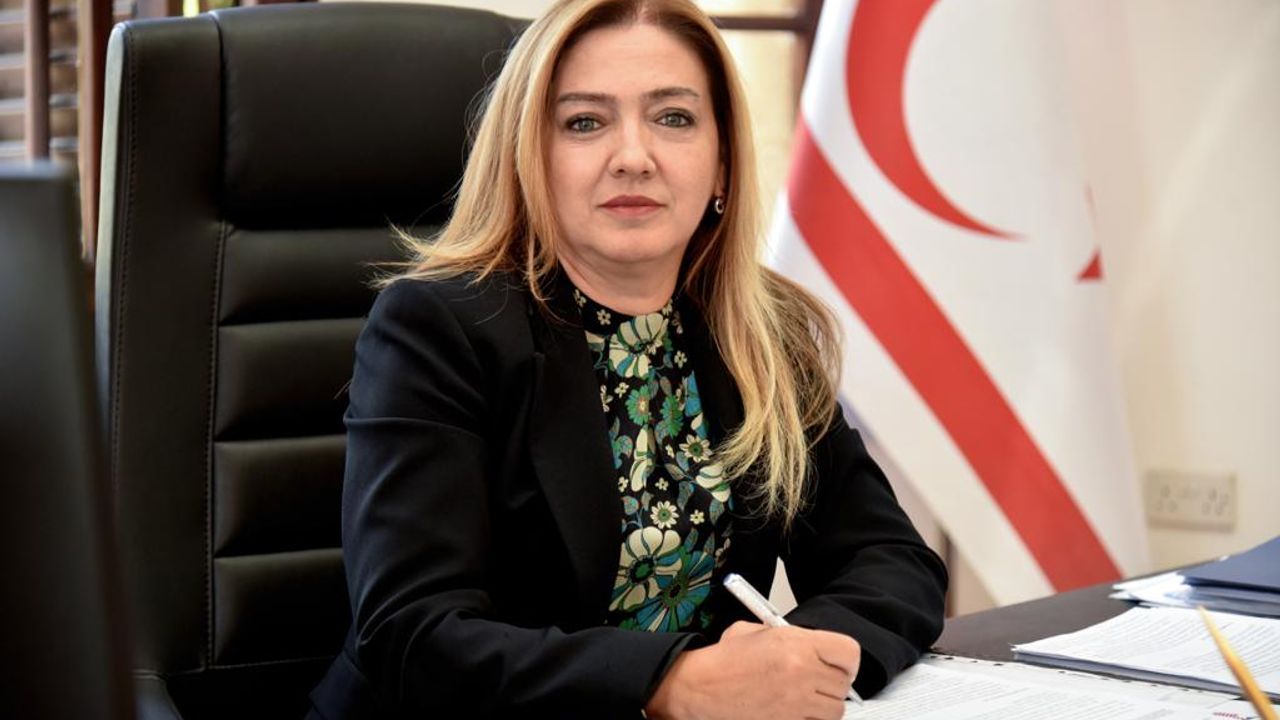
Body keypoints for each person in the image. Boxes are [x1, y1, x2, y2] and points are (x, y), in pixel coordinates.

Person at [308, 0, 947, 718]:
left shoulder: (762, 328)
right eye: (585, 122)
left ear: (723, 163)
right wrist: (672, 684)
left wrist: (796, 662)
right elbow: (413, 635)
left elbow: (891, 561)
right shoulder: (439, 330)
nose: (634, 157)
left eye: (673, 117)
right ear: (530, 157)